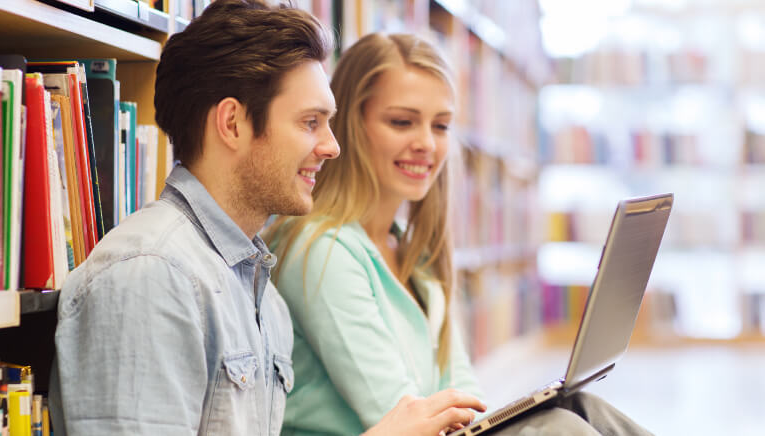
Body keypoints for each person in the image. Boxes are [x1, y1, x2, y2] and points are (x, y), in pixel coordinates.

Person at [48, 1, 484, 436]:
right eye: (310, 122)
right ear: (233, 123)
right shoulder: (149, 276)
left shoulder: (261, 296)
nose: (333, 147)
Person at [265, 33, 654, 436]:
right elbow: (399, 414)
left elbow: (465, 397)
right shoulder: (319, 251)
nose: (426, 144)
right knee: (561, 429)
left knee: (582, 407)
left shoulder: (412, 250)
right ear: (348, 125)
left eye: (441, 125)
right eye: (402, 122)